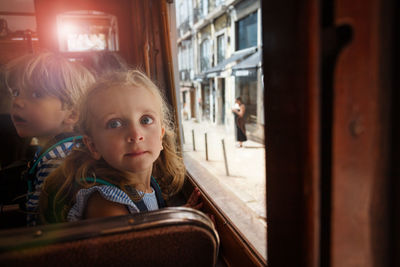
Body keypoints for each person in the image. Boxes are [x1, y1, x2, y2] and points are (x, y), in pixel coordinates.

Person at [40, 70, 202, 223]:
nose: (135, 134)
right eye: (115, 123)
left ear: (161, 135)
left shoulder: (150, 184)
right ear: (93, 145)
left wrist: (175, 217)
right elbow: (138, 251)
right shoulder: (108, 205)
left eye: (145, 120)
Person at [3, 52, 95, 226]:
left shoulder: (57, 160)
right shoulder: (65, 148)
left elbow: (47, 224)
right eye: (16, 92)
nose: (17, 102)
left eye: (36, 94)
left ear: (72, 114)